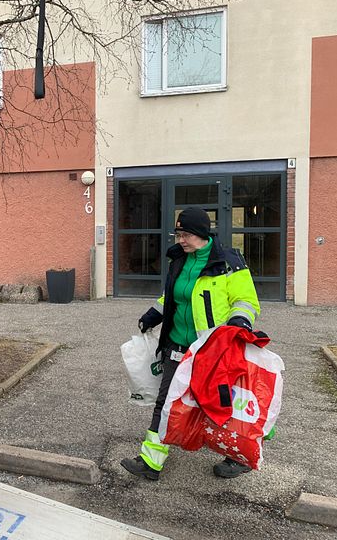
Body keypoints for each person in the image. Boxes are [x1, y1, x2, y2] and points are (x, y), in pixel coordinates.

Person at [121, 206, 260, 481]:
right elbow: (172, 297)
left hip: (213, 349)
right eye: (178, 234)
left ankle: (238, 456)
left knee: (222, 404)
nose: (180, 240)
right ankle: (151, 460)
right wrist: (154, 314)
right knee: (165, 402)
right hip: (176, 345)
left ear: (200, 233)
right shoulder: (179, 261)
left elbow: (246, 300)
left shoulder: (228, 261)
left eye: (184, 234)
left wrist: (240, 321)